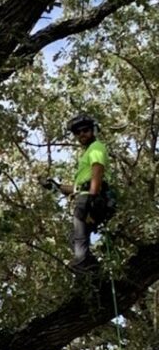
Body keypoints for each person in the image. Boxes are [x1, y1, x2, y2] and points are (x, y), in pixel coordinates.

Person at [39, 114, 115, 273]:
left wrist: (92, 197)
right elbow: (77, 188)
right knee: (74, 237)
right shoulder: (86, 154)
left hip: (93, 197)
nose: (82, 134)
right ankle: (92, 268)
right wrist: (55, 186)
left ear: (93, 130)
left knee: (78, 233)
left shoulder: (96, 147)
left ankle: (82, 264)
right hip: (87, 194)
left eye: (85, 130)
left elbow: (97, 171)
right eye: (78, 132)